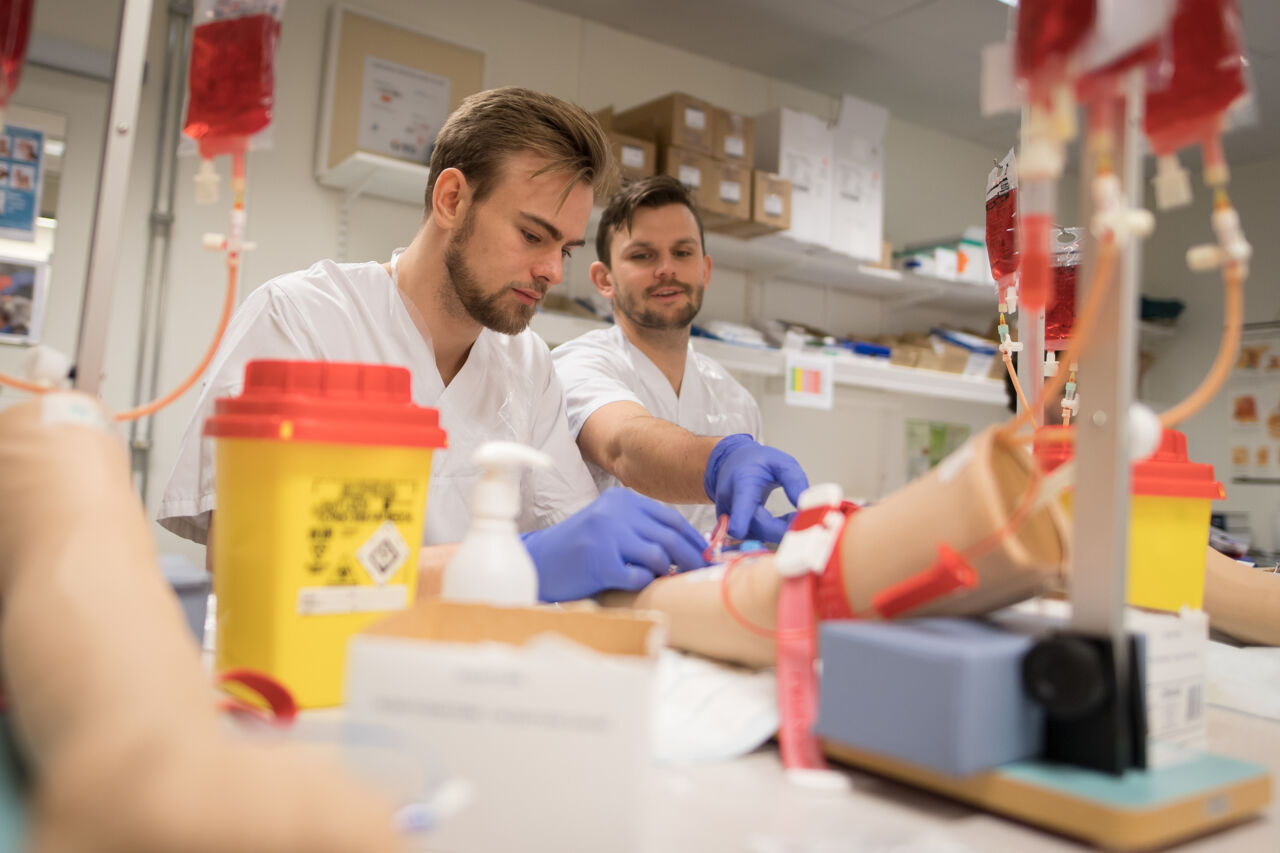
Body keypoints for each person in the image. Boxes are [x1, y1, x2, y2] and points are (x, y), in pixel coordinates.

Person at [159, 88, 706, 602]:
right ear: (451, 200)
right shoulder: (302, 320)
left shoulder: (526, 362)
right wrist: (517, 563)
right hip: (320, 682)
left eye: (563, 249)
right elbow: (248, 563)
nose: (550, 272)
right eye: (533, 236)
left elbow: (574, 534)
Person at [551, 176, 808, 542]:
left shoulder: (736, 401)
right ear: (604, 279)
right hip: (606, 597)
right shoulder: (577, 366)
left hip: (706, 597)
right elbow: (624, 445)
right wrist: (719, 461)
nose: (666, 269)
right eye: (643, 255)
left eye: (682, 253)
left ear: (704, 270)